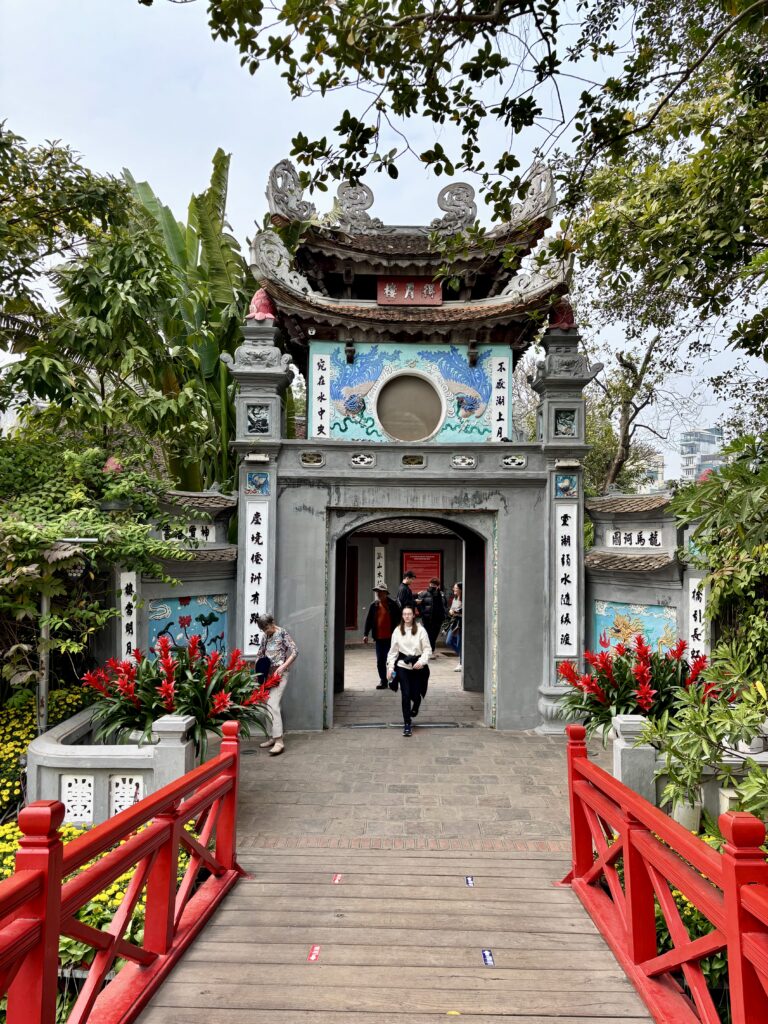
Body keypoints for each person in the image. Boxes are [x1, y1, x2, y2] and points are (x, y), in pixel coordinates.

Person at [255, 613, 298, 756]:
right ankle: (272, 737)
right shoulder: (265, 637)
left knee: (273, 704)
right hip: (267, 675)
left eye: (266, 627)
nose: (265, 631)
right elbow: (260, 653)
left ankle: (279, 741)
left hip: (280, 675)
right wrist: (257, 670)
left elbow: (295, 651)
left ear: (272, 622)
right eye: (262, 629)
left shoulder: (282, 633)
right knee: (267, 705)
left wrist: (283, 666)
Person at [387, 606, 431, 737]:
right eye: (404, 614)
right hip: (402, 665)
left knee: (415, 694)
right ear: (402, 616)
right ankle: (407, 723)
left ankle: (416, 703)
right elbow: (393, 652)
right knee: (405, 694)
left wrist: (421, 662)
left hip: (417, 665)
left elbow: (427, 650)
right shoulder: (397, 631)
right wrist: (390, 668)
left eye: (409, 614)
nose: (406, 616)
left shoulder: (421, 631)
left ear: (413, 616)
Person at [362, 584, 402, 689]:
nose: (378, 594)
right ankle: (383, 681)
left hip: (391, 638)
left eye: (380, 592)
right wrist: (365, 634)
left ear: (385, 593)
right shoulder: (374, 605)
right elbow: (369, 621)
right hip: (379, 638)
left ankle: (393, 680)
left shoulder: (393, 604)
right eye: (377, 592)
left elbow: (400, 620)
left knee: (392, 661)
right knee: (380, 660)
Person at [416, 577, 447, 653]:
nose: (433, 586)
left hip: (438, 619)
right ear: (429, 584)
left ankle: (430, 649)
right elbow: (418, 605)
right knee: (428, 635)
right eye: (432, 584)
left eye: (435, 585)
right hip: (427, 619)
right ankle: (430, 650)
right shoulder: (424, 594)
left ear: (438, 586)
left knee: (434, 635)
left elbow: (445, 605)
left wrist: (444, 614)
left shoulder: (441, 594)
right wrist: (422, 613)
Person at [446, 581, 462, 671]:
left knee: (460, 643)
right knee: (449, 641)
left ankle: (461, 662)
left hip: (460, 623)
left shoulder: (465, 598)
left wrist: (456, 612)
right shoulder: (455, 598)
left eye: (455, 588)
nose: (453, 589)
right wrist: (451, 611)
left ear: (460, 589)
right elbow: (452, 609)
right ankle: (463, 657)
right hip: (454, 622)